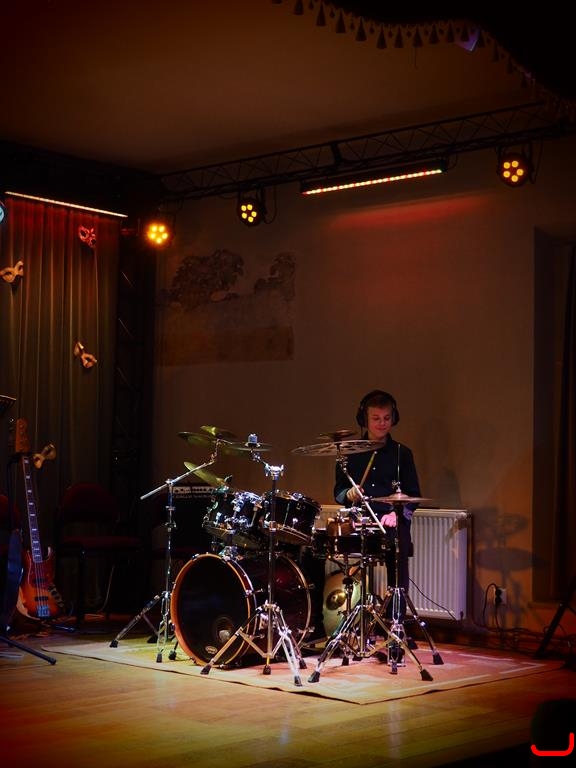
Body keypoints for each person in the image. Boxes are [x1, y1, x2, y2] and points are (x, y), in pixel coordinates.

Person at [333, 389, 422, 625]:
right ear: (364, 419)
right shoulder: (349, 453)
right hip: (359, 520)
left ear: (394, 418)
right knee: (324, 546)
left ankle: (395, 625)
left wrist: (397, 513)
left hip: (391, 522)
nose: (382, 423)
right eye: (376, 418)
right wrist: (349, 494)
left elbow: (414, 495)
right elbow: (338, 492)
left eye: (386, 418)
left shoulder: (403, 453)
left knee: (397, 553)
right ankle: (347, 622)